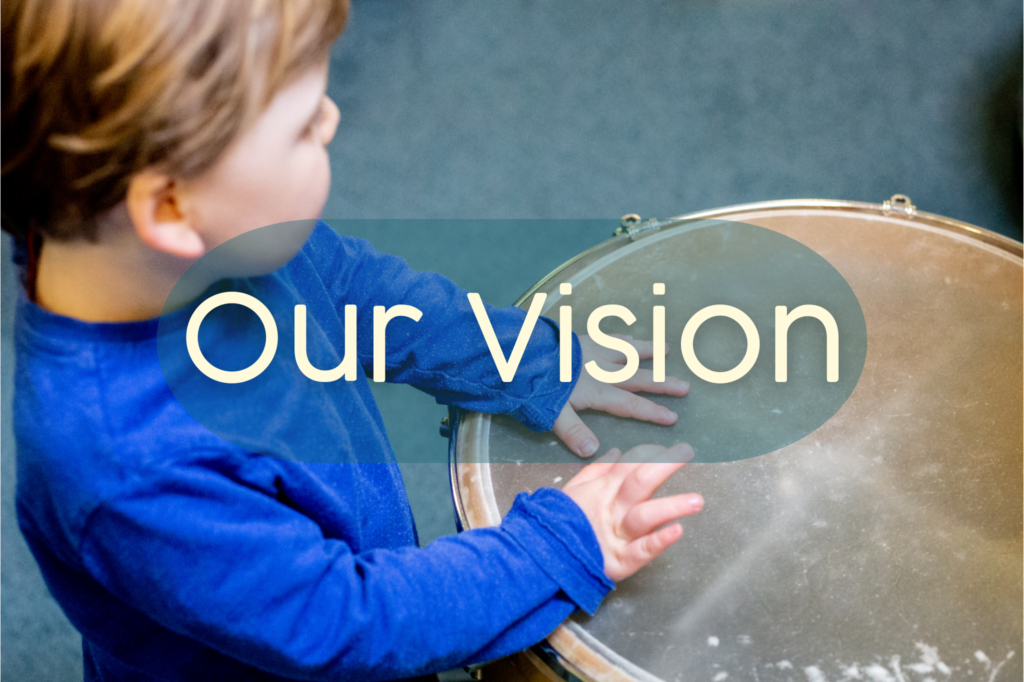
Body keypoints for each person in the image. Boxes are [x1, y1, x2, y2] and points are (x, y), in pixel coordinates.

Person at [1, 0, 704, 680]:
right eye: (304, 125)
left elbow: (351, 288)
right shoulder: (124, 467)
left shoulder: (210, 241)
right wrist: (558, 546)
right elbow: (350, 622)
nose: (333, 119)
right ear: (171, 206)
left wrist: (523, 358)